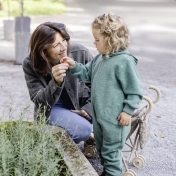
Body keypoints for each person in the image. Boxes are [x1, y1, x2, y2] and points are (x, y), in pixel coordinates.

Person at [61, 12, 143, 176]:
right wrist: (73, 65)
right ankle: (107, 171)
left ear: (112, 40)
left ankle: (112, 173)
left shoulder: (124, 61)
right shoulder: (100, 58)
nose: (94, 42)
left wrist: (127, 111)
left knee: (111, 153)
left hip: (115, 121)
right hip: (100, 119)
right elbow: (86, 74)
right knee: (103, 149)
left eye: (97, 40)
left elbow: (135, 90)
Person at [22, 22, 94, 144]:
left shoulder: (80, 52)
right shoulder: (30, 63)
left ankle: (88, 136)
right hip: (54, 108)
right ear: (43, 49)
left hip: (81, 104)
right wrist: (55, 82)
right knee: (83, 130)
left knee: (115, 111)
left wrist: (89, 108)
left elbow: (100, 84)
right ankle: (87, 136)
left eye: (64, 40)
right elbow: (39, 101)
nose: (64, 47)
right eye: (56, 45)